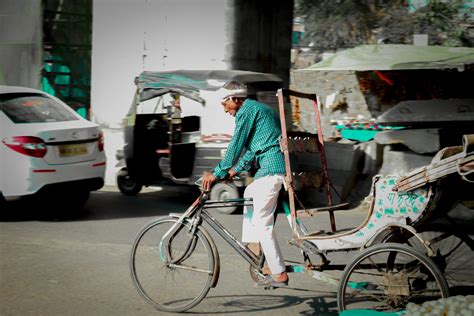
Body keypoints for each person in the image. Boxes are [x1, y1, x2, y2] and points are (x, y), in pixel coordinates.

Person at [201, 81, 288, 287]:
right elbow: (252, 150)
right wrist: (233, 171)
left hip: (272, 170)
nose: (225, 109)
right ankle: (254, 245)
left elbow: (235, 144)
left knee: (262, 223)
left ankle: (279, 273)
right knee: (249, 191)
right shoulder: (258, 109)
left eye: (225, 104)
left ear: (234, 99)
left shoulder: (246, 111)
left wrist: (217, 172)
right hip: (269, 169)